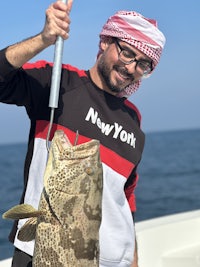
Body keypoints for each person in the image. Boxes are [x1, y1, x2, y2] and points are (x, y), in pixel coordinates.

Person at [0, 1, 166, 266]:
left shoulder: (134, 120)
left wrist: (132, 258)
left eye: (143, 64)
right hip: (44, 250)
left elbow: (125, 196)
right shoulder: (59, 83)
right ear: (105, 42)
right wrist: (43, 39)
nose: (132, 68)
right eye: (126, 53)